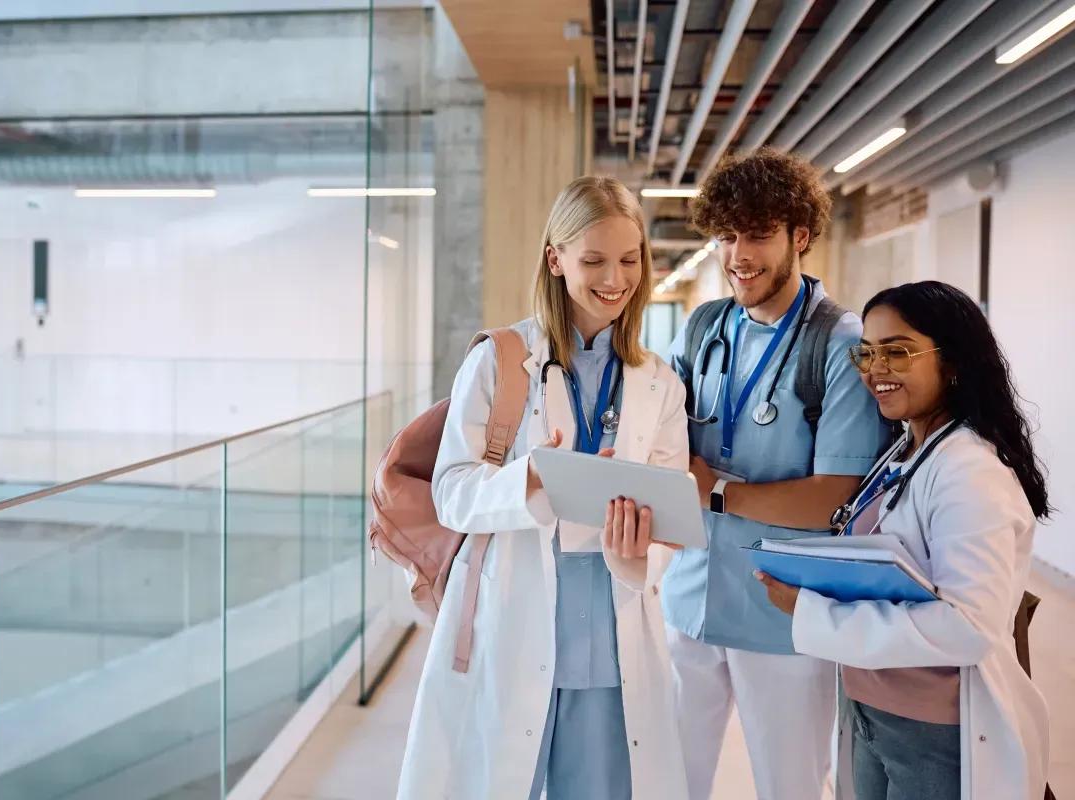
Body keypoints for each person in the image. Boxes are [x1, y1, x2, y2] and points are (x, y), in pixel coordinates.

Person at [397, 176, 691, 800]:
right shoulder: (500, 361)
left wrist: (641, 555)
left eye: (630, 259)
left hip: (610, 645)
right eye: (594, 260)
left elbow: (672, 510)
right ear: (555, 259)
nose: (616, 278)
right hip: (517, 617)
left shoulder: (659, 382)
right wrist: (526, 478)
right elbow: (451, 491)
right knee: (502, 777)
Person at [755, 280, 1051, 800]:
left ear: (953, 361)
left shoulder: (969, 471)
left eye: (898, 351)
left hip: (934, 735)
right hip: (872, 711)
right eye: (866, 353)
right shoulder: (905, 451)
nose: (875, 370)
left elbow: (968, 626)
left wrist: (812, 611)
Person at [663, 148, 889, 800]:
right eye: (726, 236)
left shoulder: (841, 344)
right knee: (669, 779)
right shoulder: (705, 327)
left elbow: (834, 501)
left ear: (800, 236)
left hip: (782, 616)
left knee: (788, 785)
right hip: (690, 600)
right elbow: (662, 440)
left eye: (757, 235)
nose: (738, 255)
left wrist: (720, 491)